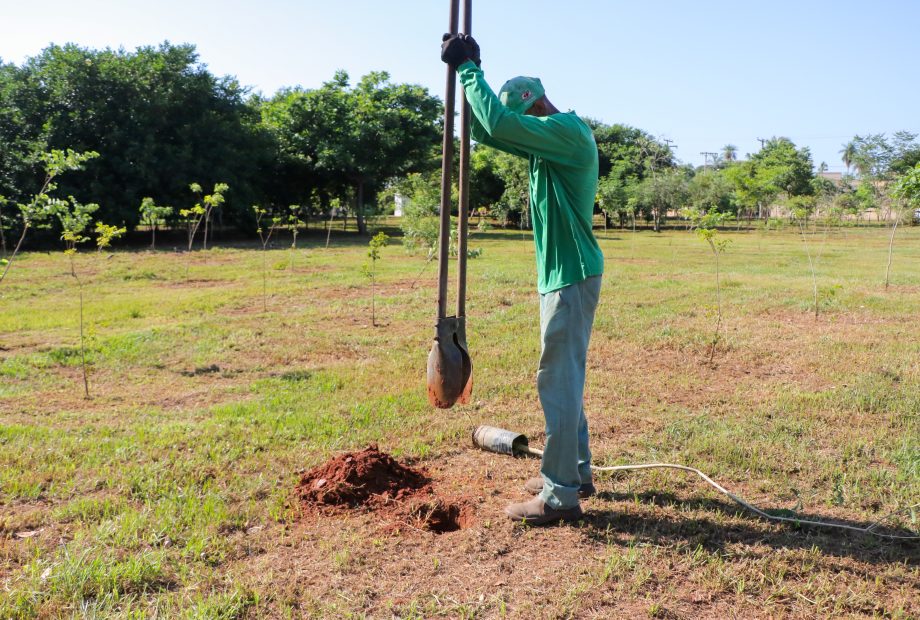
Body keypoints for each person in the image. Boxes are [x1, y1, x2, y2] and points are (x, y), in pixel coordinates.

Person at [442, 34, 604, 525]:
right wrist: (472, 73)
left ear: (535, 106)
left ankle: (560, 496)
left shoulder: (566, 132)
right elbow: (489, 129)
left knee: (557, 382)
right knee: (565, 379)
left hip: (571, 275)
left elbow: (499, 124)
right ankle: (576, 471)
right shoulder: (547, 145)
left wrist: (469, 70)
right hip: (564, 276)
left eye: (523, 119)